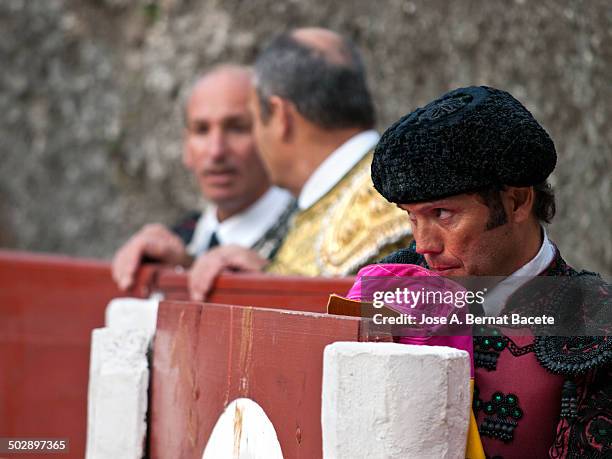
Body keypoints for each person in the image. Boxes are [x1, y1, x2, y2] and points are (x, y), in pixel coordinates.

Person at [371, 86, 610, 458]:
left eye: (442, 214)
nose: (423, 245)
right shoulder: (389, 289)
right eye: (411, 217)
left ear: (516, 201)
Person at [187, 28, 412, 299]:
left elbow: (472, 310)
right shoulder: (409, 182)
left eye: (253, 122)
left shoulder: (405, 195)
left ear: (281, 116)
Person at [111, 65, 295, 291]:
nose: (216, 151)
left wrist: (274, 282)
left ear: (271, 136)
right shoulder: (180, 238)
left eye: (237, 128)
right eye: (201, 130)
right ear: (187, 148)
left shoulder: (312, 236)